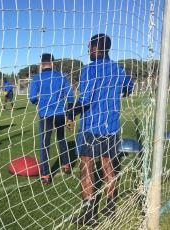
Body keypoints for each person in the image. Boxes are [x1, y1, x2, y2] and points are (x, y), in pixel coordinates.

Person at [68, 34, 134, 226]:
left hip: (92, 128)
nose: (89, 50)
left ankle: (89, 213)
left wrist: (71, 113)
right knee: (108, 165)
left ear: (96, 48)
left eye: (90, 47)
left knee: (86, 166)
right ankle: (110, 206)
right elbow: (129, 87)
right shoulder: (118, 69)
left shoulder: (89, 70)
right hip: (112, 127)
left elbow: (85, 99)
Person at [29, 53, 74, 185]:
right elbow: (70, 97)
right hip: (60, 114)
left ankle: (46, 175)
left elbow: (32, 98)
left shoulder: (37, 78)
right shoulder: (61, 76)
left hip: (45, 115)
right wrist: (69, 116)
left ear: (41, 63)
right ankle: (66, 165)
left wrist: (40, 101)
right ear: (53, 63)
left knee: (44, 143)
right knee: (61, 138)